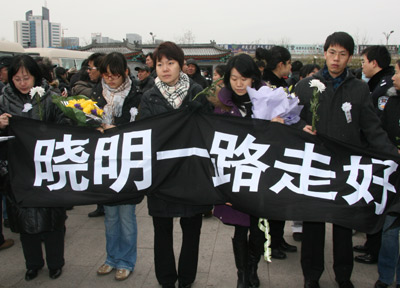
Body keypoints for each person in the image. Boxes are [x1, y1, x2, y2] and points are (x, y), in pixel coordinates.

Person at [295, 31, 398, 288]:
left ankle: (343, 275)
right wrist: (300, 127)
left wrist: (392, 156)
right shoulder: (305, 87)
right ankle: (311, 275)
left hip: (346, 167)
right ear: (325, 52)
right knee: (313, 222)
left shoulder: (359, 89)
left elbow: (373, 129)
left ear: (349, 57)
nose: (336, 59)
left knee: (344, 222)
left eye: (342, 54)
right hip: (315, 166)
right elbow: (290, 119)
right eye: (332, 52)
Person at [138, 41, 212, 288]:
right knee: (162, 231)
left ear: (181, 65)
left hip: (192, 175)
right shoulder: (149, 96)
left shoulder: (197, 92)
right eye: (160, 64)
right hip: (161, 175)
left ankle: (187, 279)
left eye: (171, 63)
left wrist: (204, 111)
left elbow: (210, 131)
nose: (165, 68)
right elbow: (143, 134)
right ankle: (167, 280)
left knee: (192, 231)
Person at [212, 54, 281, 288]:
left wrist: (280, 125)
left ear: (254, 78)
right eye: (234, 78)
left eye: (245, 78)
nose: (239, 84)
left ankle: (253, 268)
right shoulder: (220, 105)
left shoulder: (268, 101)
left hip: (262, 175)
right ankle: (242, 274)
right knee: (240, 228)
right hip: (234, 177)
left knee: (259, 227)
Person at [0, 54, 69, 280]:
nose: (22, 83)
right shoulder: (3, 100)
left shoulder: (50, 98)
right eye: (17, 78)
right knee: (24, 220)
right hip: (18, 170)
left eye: (26, 78)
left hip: (48, 169)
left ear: (35, 77)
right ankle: (33, 263)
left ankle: (55, 262)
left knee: (53, 220)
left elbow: (65, 127)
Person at [91, 52, 143, 281]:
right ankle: (111, 258)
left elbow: (141, 128)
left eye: (115, 75)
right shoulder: (96, 93)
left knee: (127, 216)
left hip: (128, 162)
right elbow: (86, 119)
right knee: (110, 216)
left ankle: (126, 261)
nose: (110, 80)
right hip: (105, 163)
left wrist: (116, 128)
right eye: (106, 75)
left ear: (124, 73)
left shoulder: (137, 94)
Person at [353, 45, 395, 266]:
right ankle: (371, 244)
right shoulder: (379, 84)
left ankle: (375, 249)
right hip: (376, 153)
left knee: (380, 202)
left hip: (381, 154)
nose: (362, 66)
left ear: (374, 63)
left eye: (364, 62)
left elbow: (377, 123)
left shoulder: (383, 87)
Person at [257, 45, 297, 260]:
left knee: (282, 196)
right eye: (289, 63)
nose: (290, 67)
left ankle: (278, 238)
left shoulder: (282, 84)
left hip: (282, 147)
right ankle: (269, 242)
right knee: (271, 198)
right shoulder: (265, 85)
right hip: (268, 149)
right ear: (281, 64)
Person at [374, 59, 400, 288]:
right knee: (390, 229)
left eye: (398, 72)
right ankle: (384, 277)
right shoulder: (391, 102)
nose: (393, 77)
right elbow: (380, 130)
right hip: (394, 173)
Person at [84, 53, 107, 217]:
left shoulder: (108, 89)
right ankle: (101, 204)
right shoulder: (96, 89)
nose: (88, 71)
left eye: (91, 68)